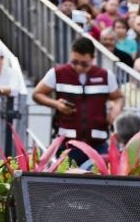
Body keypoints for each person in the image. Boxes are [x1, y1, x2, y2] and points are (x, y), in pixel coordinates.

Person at [32, 37, 123, 165]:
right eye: (74, 62)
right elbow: (37, 94)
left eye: (84, 64)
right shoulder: (57, 73)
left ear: (93, 58)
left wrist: (115, 111)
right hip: (67, 144)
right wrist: (56, 104)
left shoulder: (105, 75)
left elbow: (118, 97)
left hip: (98, 144)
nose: (79, 67)